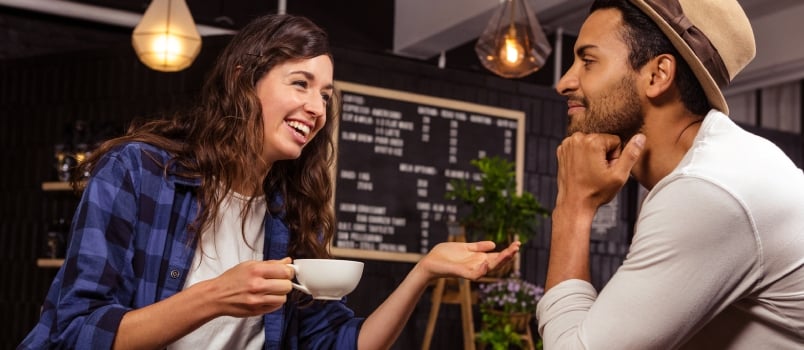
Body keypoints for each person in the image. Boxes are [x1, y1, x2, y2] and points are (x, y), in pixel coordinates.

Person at [19, 13, 520, 350]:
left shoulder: (291, 207)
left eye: (325, 93)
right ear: (243, 81)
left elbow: (343, 343)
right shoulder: (138, 171)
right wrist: (214, 297)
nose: (316, 107)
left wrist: (423, 272)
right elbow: (77, 330)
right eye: (300, 83)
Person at [536, 0, 804, 348]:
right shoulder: (721, 165)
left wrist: (573, 207)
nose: (564, 82)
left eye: (588, 61)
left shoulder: (707, 190)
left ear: (658, 75)